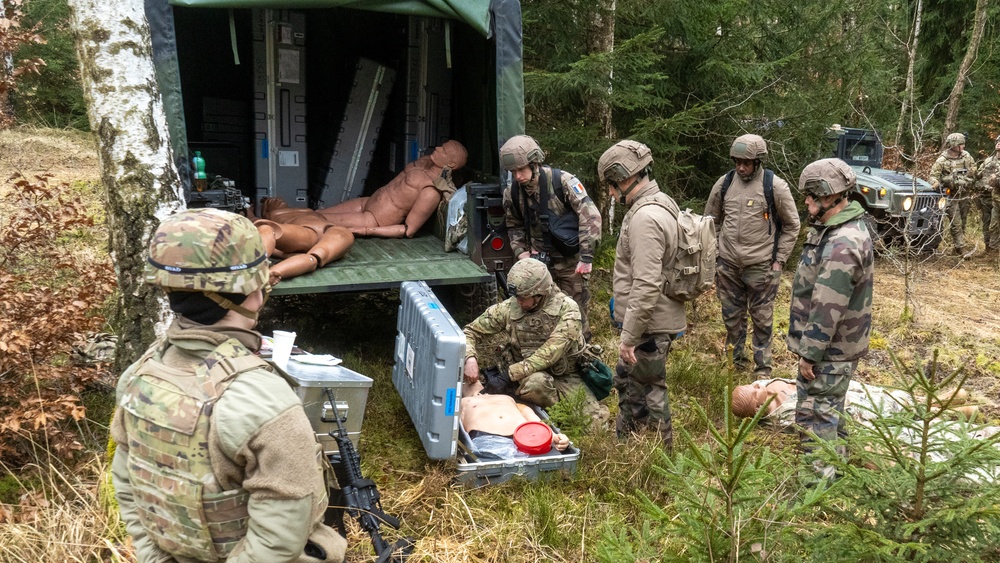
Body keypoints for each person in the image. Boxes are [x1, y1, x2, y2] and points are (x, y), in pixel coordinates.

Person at [110, 208, 347, 563]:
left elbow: (129, 486)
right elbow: (279, 540)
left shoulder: (140, 376)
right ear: (254, 292)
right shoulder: (263, 400)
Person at [788, 158, 875, 481]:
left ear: (829, 196)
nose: (806, 202)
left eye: (811, 195)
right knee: (828, 413)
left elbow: (827, 307)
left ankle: (816, 487)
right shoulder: (835, 230)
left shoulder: (842, 242)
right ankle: (839, 473)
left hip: (829, 351)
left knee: (816, 417)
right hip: (833, 349)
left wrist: (809, 353)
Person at [598, 140, 686, 450]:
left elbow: (646, 283)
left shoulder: (645, 218)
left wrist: (629, 337)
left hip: (649, 325)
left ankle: (661, 456)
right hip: (653, 320)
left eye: (611, 185)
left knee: (651, 389)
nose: (610, 193)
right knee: (632, 382)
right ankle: (631, 446)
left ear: (624, 178)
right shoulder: (661, 202)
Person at [462, 258, 607, 424]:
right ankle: (553, 415)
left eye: (523, 297)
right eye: (516, 296)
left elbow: (550, 353)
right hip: (531, 377)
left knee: (593, 426)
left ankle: (562, 415)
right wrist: (470, 358)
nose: (518, 301)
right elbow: (470, 331)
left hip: (566, 374)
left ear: (540, 293)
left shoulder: (568, 309)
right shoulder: (511, 307)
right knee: (536, 384)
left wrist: (508, 376)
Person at [705, 134, 800, 378]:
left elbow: (792, 225)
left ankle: (763, 369)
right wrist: (717, 253)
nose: (741, 167)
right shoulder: (724, 183)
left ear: (758, 162)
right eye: (737, 161)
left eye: (746, 163)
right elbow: (710, 221)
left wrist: (779, 260)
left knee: (763, 321)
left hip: (762, 265)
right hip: (728, 266)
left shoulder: (774, 186)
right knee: (731, 318)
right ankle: (735, 364)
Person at [500, 135, 602, 339]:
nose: (518, 176)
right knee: (539, 313)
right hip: (539, 264)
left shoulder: (562, 181)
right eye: (513, 171)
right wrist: (522, 253)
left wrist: (586, 257)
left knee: (575, 313)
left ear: (534, 163)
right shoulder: (512, 193)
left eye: (521, 169)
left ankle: (582, 357)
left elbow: (591, 216)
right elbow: (513, 226)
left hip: (570, 261)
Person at [263, 140, 468, 239]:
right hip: (366, 202)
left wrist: (366, 230)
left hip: (373, 218)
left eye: (444, 150)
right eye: (441, 145)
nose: (438, 148)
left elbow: (408, 230)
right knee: (315, 213)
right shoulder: (423, 163)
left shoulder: (431, 191)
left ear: (450, 164)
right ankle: (268, 217)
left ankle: (266, 225)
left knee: (317, 222)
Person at [731, 378, 976, 428]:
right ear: (756, 409)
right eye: (754, 392)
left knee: (891, 396)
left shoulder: (764, 384)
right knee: (891, 408)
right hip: (848, 408)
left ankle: (941, 399)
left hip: (838, 388)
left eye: (752, 385)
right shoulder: (782, 418)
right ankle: (949, 413)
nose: (756, 386)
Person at [460, 387, 570, 459]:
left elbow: (531, 416)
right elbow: (453, 426)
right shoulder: (461, 402)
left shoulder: (506, 398)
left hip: (528, 438)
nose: (473, 381)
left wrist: (553, 436)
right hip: (487, 439)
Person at [929, 132, 977, 255]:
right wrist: (937, 183)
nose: (963, 147)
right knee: (956, 222)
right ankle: (961, 248)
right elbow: (933, 176)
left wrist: (967, 179)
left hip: (964, 194)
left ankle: (957, 245)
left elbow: (973, 170)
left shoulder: (966, 156)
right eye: (961, 144)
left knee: (964, 220)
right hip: (951, 195)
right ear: (953, 145)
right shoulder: (942, 160)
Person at [974, 134, 1000, 254]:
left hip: (997, 197)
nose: (998, 144)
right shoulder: (988, 160)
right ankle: (988, 249)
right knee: (987, 224)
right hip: (986, 198)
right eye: (997, 141)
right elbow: (979, 175)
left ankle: (995, 251)